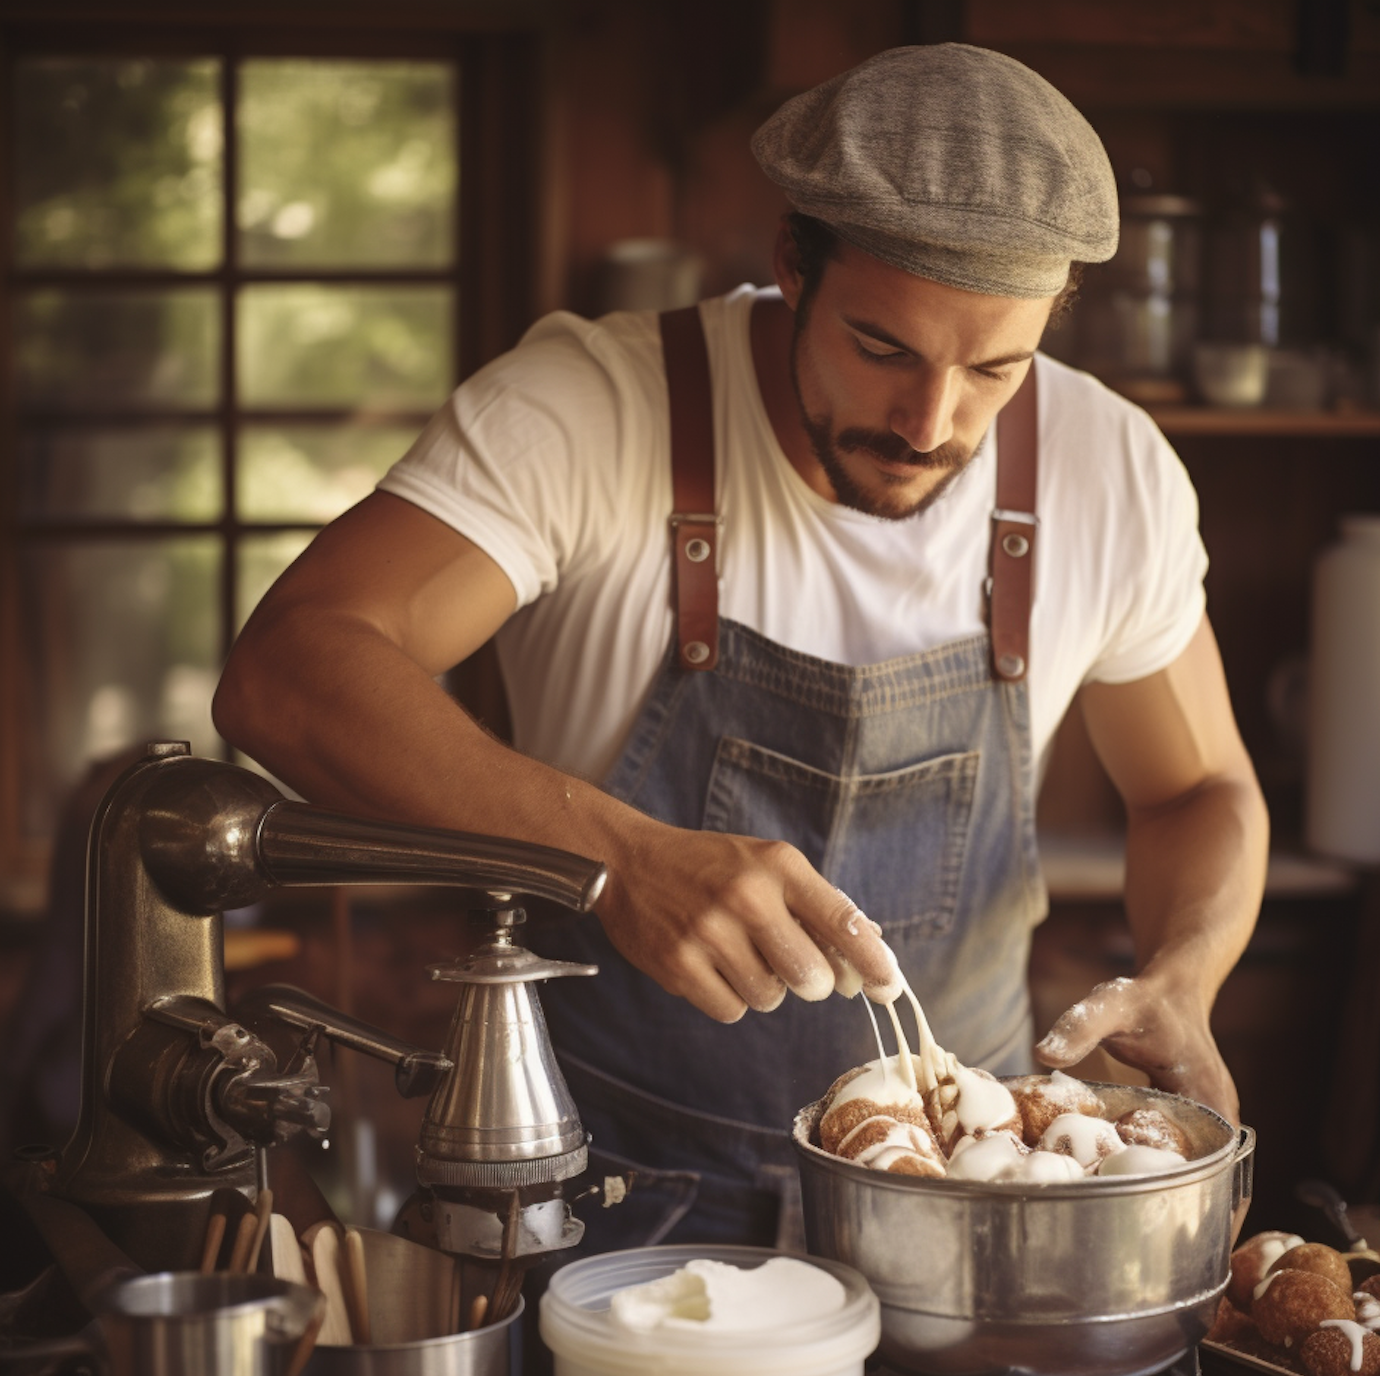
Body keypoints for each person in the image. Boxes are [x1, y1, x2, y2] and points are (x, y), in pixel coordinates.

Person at [214, 44, 1268, 1248]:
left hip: (971, 1202)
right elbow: (287, 673)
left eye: (994, 370)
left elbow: (1198, 789)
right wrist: (621, 858)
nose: (931, 425)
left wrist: (1187, 975)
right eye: (883, 349)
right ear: (790, 264)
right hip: (602, 1195)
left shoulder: (1109, 466)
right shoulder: (589, 409)